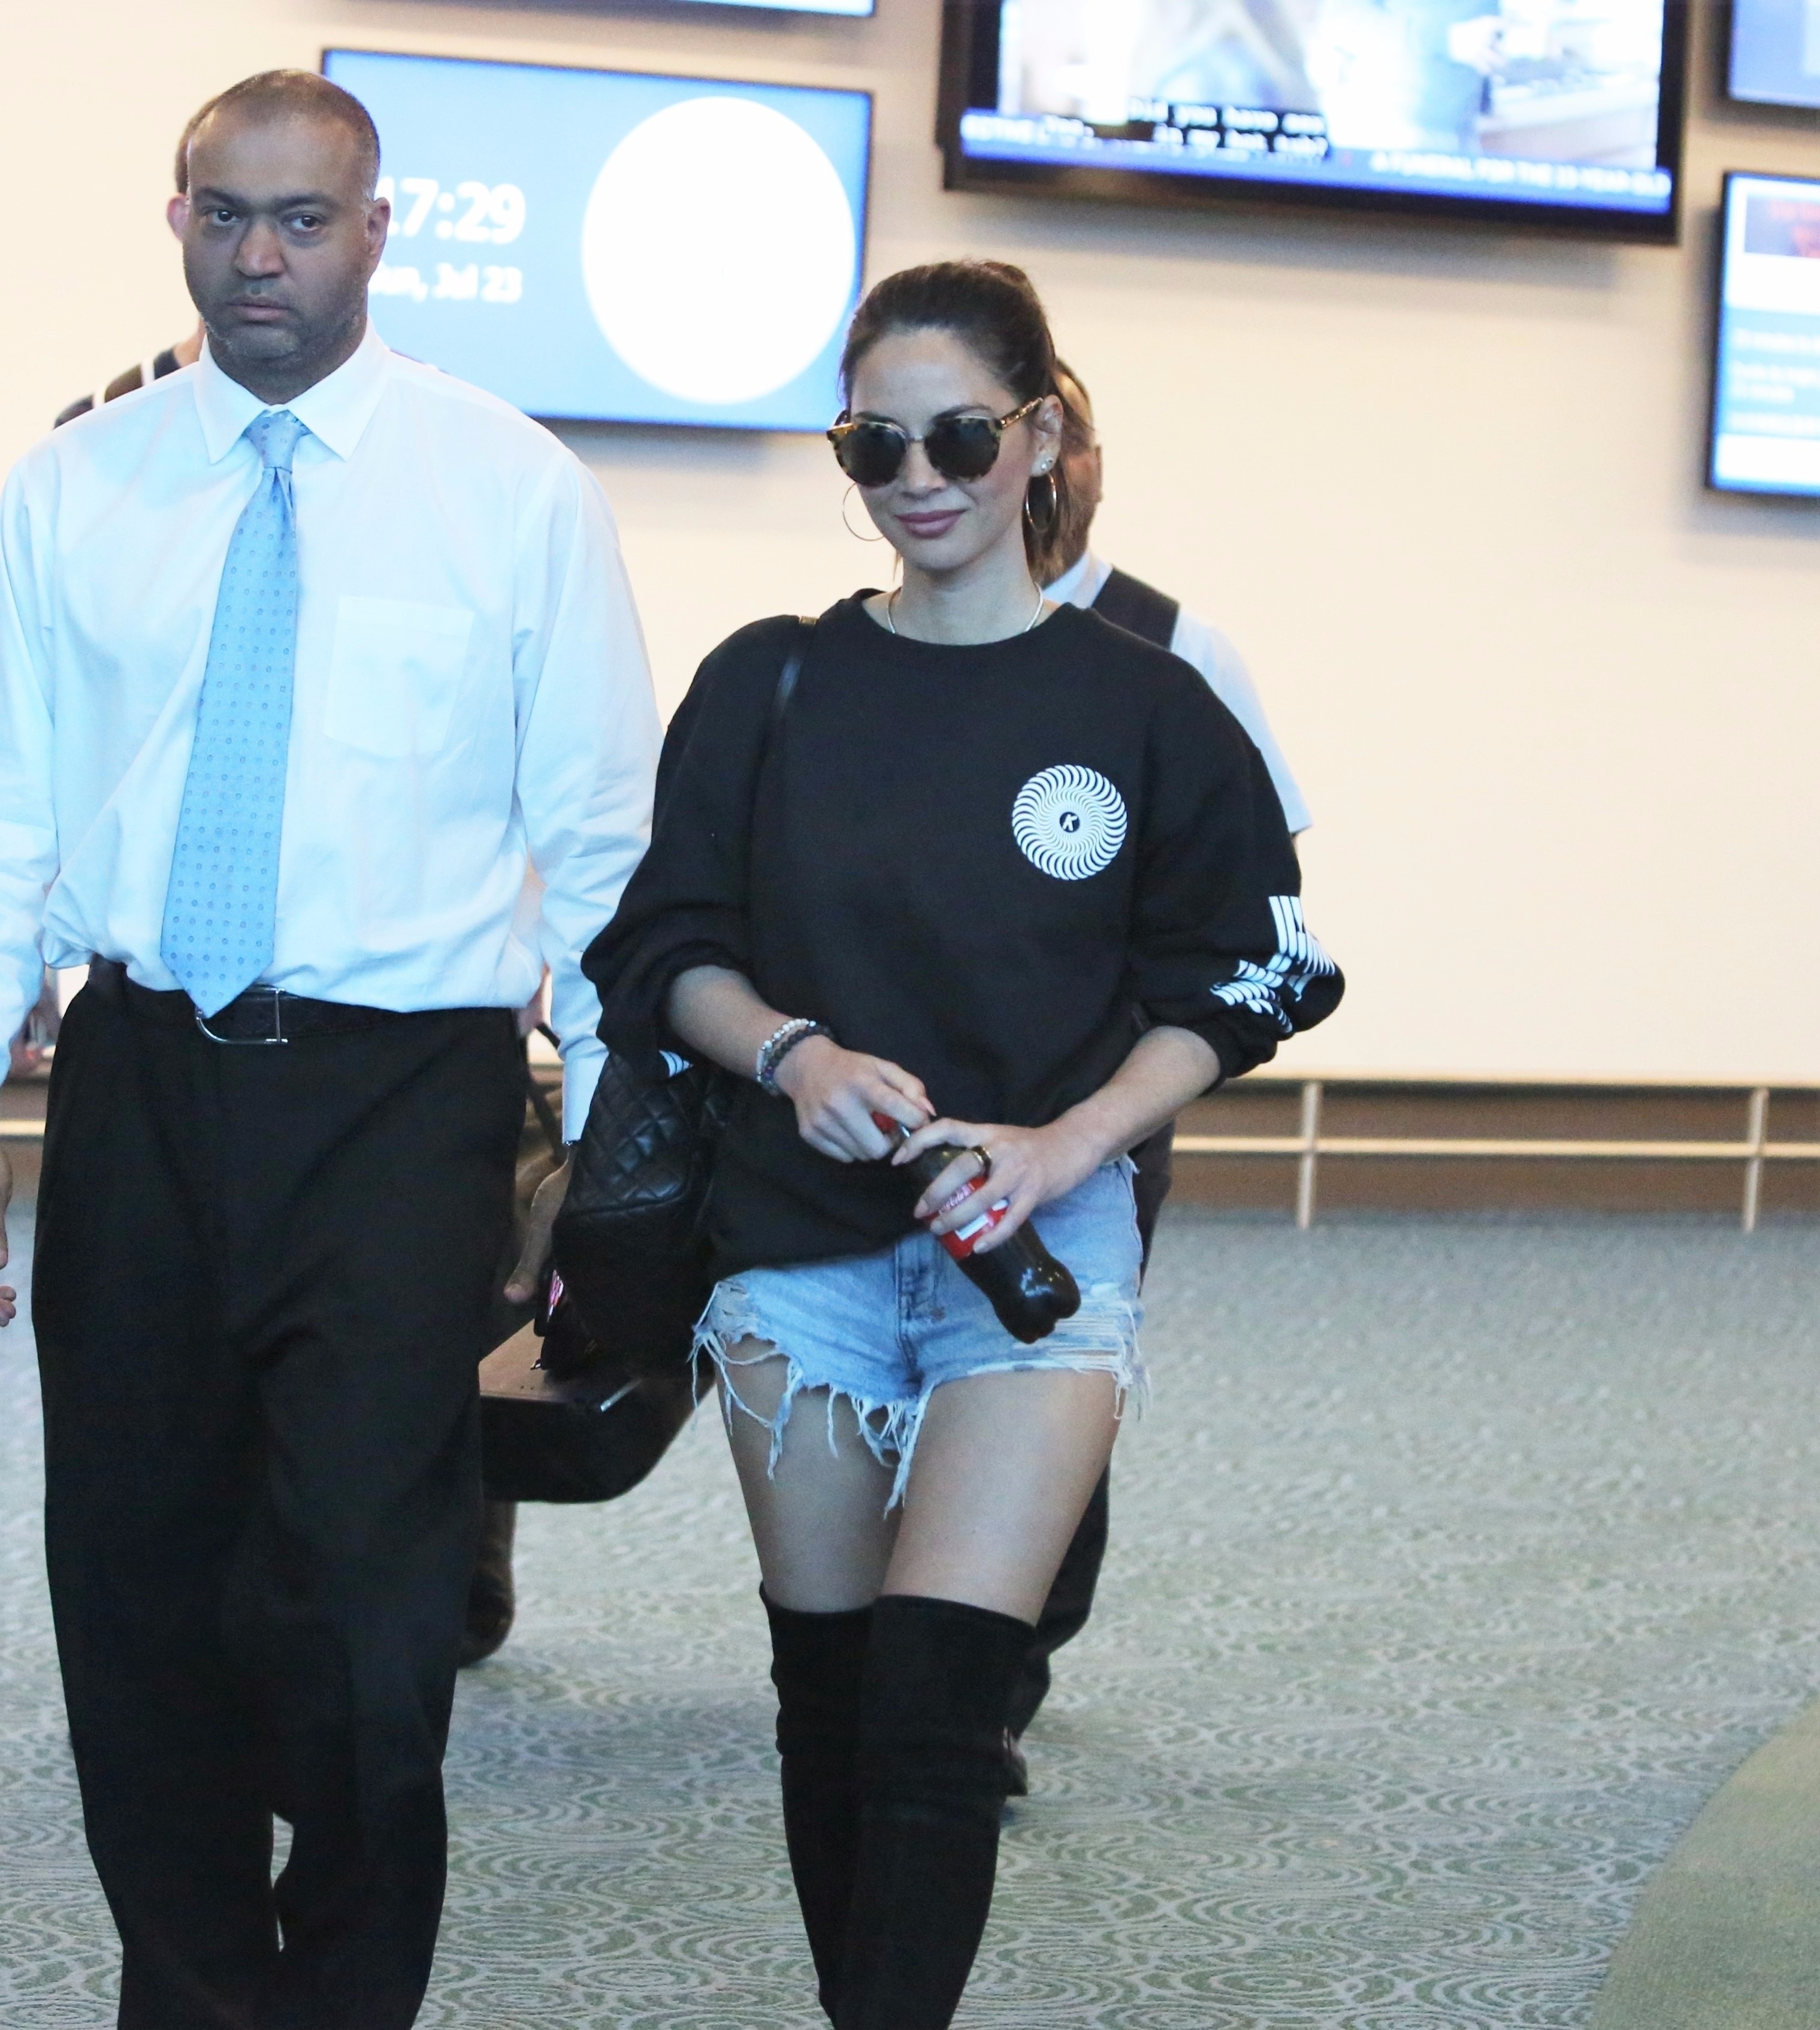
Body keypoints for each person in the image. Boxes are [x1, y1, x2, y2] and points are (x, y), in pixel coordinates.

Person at [582, 259, 1341, 2029]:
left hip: (1034, 1250)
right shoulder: (770, 681)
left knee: (941, 1705)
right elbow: (663, 946)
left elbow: (1251, 973)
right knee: (831, 1697)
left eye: (958, 437)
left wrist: (1074, 1141)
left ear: (1041, 436)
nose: (915, 477)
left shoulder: (1145, 703)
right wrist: (792, 1053)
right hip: (797, 1243)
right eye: (873, 444)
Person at [0, 70, 658, 2030]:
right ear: (177, 220)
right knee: (136, 1590)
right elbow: (12, 823)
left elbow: (602, 846)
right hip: (141, 1083)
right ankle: (193, 1995)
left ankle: (346, 1995)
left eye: (302, 219)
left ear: (379, 231)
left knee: (370, 1615)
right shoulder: (76, 488)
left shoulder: (508, 487)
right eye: (225, 214)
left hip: (404, 1097)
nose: (259, 257)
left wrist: (619, 1175)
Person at [1001, 357, 1317, 1772]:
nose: (1044, 467)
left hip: (1098, 1116)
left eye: (1065, 439)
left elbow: (1258, 906)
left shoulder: (1176, 650)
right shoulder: (881, 642)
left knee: (1051, 1379)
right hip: (902, 1106)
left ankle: (997, 1681)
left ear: (1087, 459)